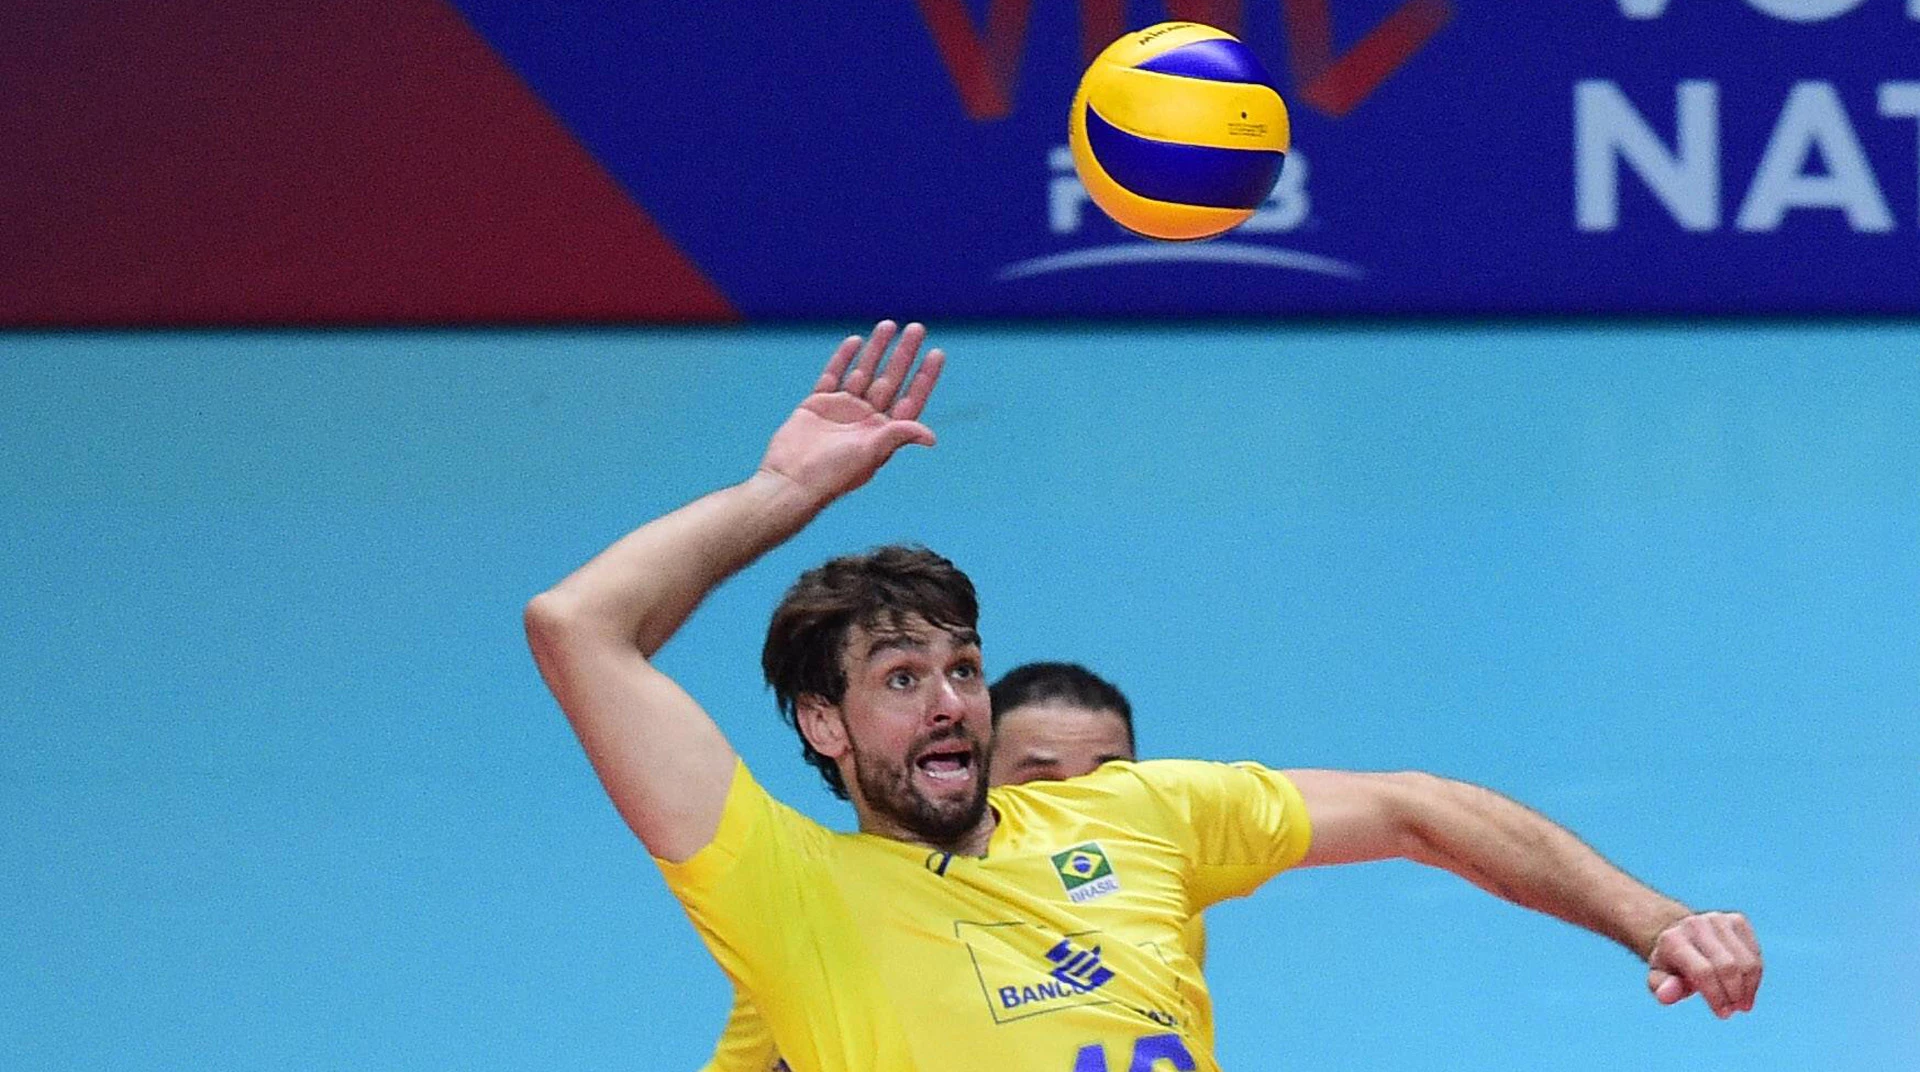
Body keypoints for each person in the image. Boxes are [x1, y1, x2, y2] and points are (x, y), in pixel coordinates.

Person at [524, 322, 1762, 1072]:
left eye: (963, 669)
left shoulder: (1135, 815)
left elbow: (1415, 809)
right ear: (822, 725)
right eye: (900, 679)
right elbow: (578, 626)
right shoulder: (786, 894)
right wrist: (781, 496)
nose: (950, 701)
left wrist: (1653, 920)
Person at [701, 662, 1171, 1072]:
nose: (1079, 809)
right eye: (1043, 785)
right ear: (976, 778)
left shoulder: (1156, 894)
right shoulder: (839, 932)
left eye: (1109, 783)